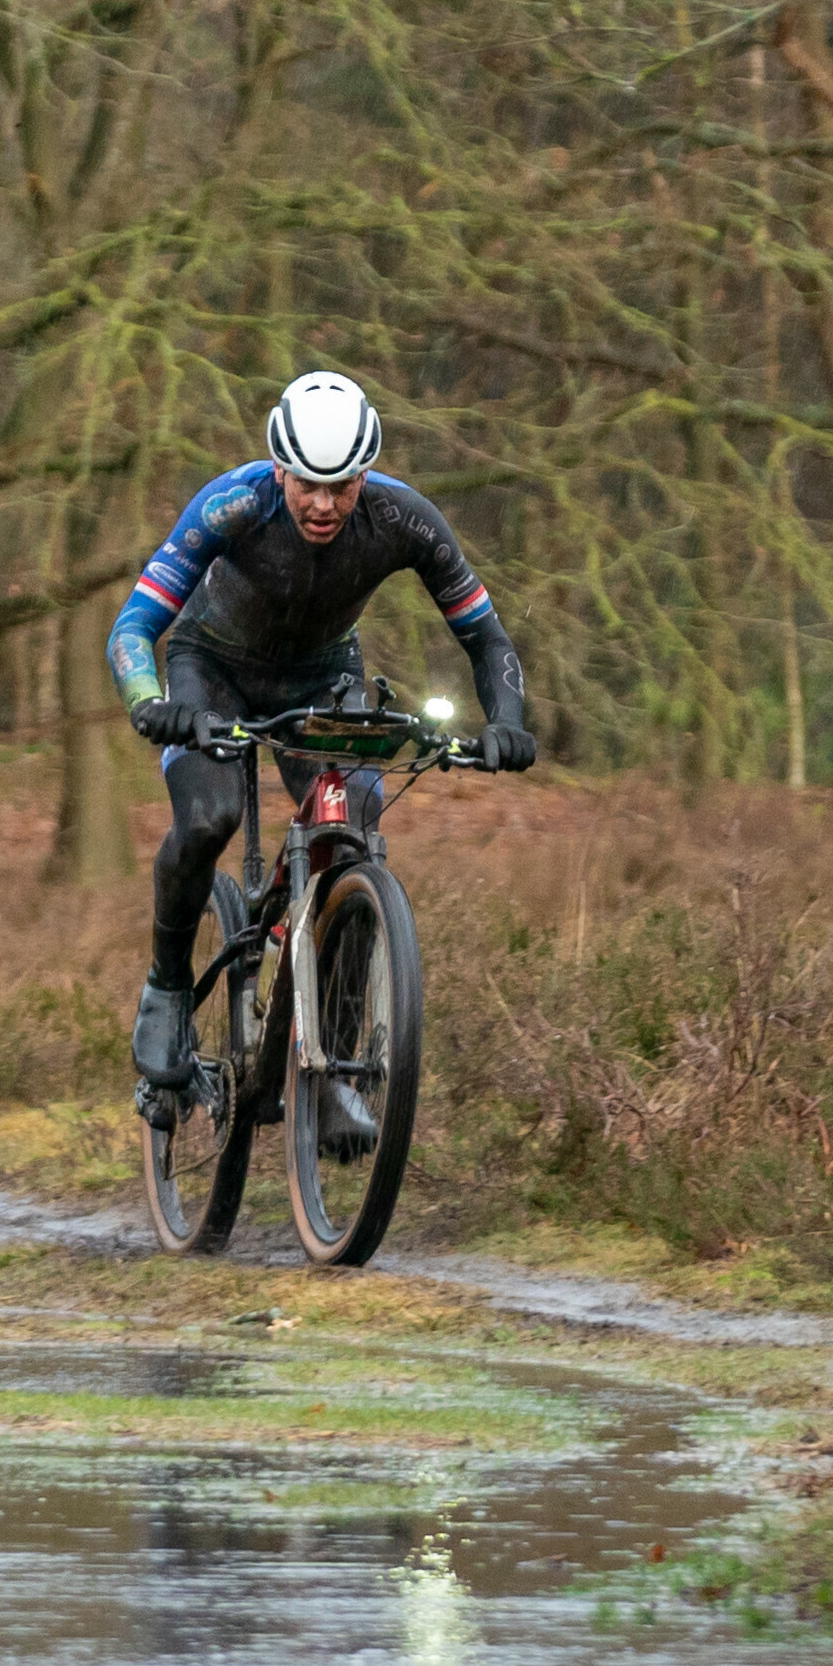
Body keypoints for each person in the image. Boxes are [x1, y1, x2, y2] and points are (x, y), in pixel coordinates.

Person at [118, 371, 538, 1141]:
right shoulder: (231, 504)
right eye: (308, 482)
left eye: (341, 485)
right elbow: (135, 623)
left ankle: (334, 1070)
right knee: (212, 815)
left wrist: (506, 719)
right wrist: (151, 702)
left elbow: (485, 635)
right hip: (210, 668)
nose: (322, 502)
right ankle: (168, 990)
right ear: (280, 468)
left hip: (322, 675)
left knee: (354, 829)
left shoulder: (404, 521)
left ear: (364, 474)